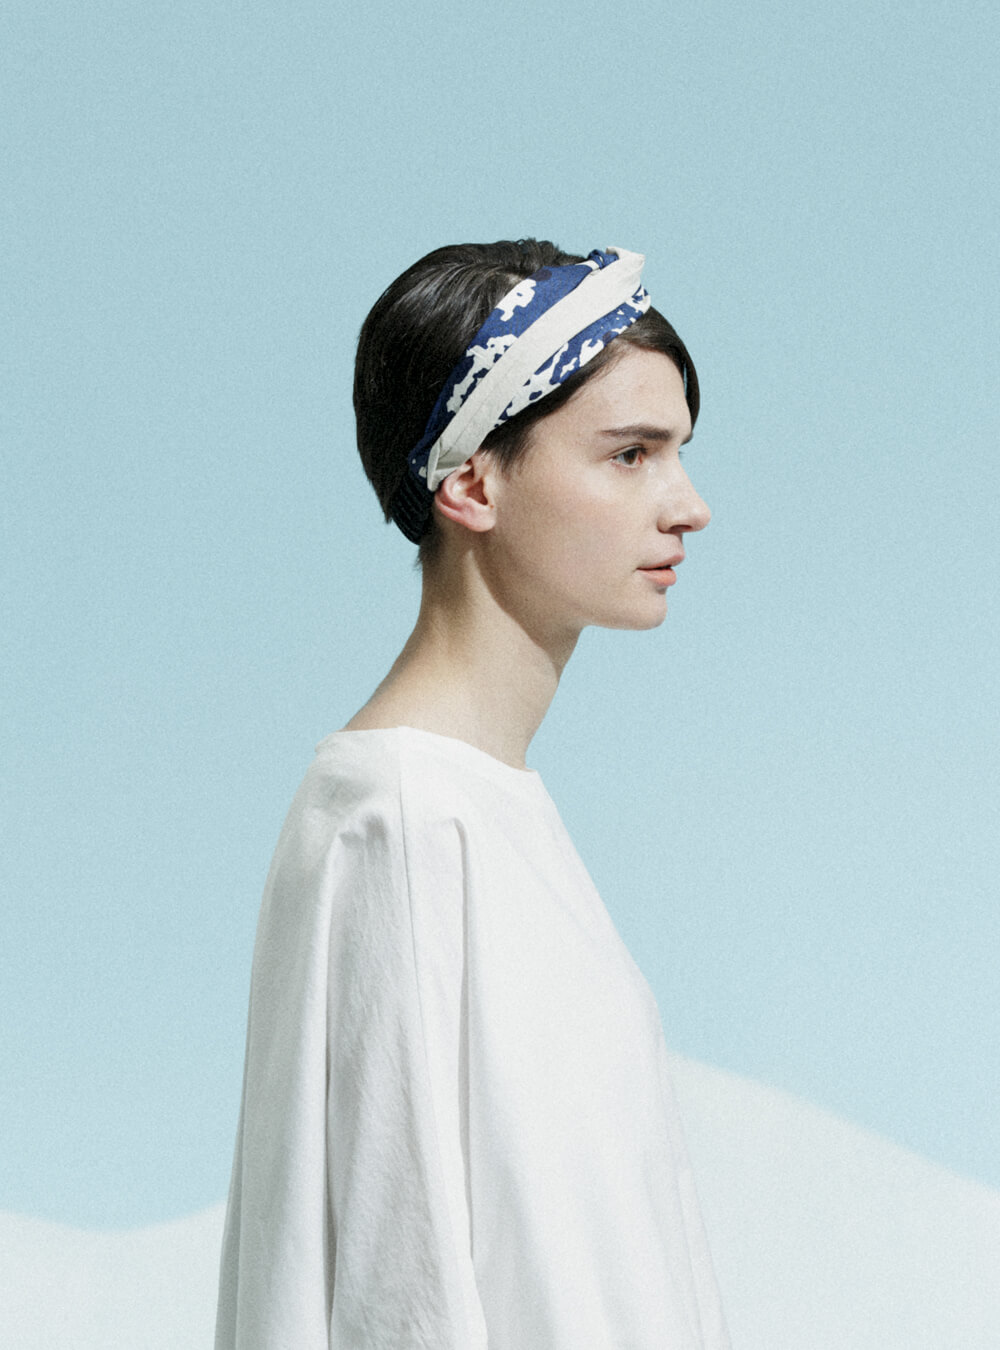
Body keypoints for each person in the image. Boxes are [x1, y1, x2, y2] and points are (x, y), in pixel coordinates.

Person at [215, 240, 730, 1348]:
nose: (688, 506)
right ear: (470, 483)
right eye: (630, 455)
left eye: (678, 452)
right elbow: (394, 1289)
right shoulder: (403, 818)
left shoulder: (483, 806)